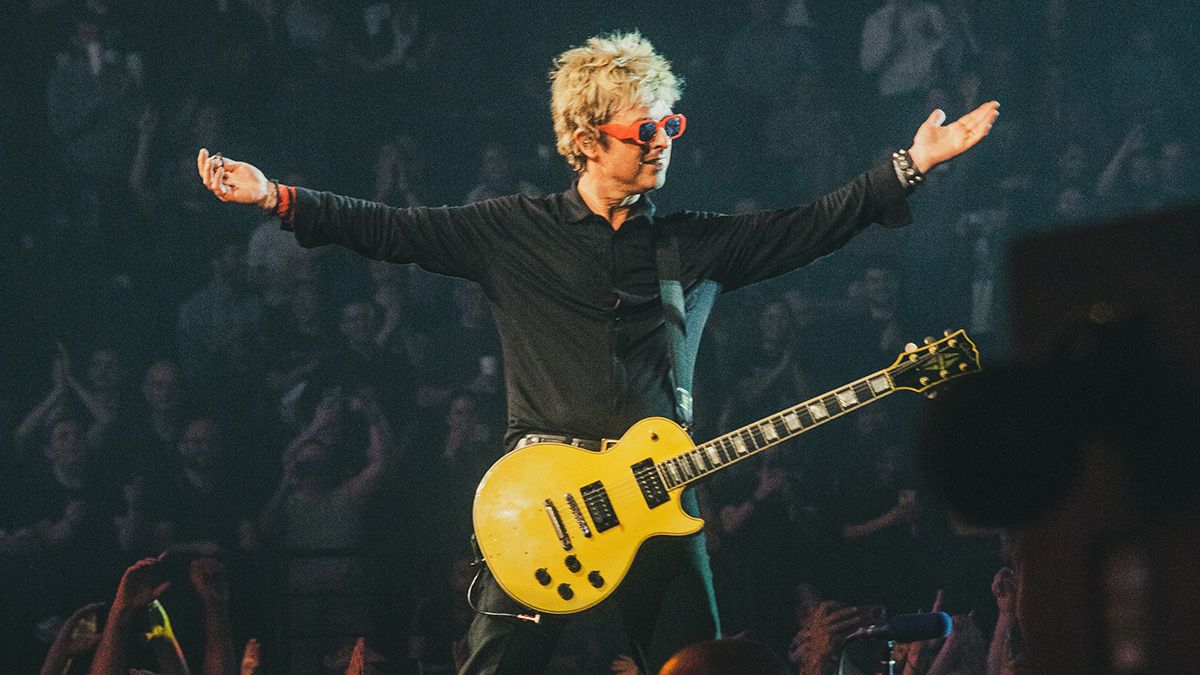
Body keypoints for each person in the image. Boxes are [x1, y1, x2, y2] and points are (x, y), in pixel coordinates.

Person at [196, 30, 998, 674]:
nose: (662, 142)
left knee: (703, 666)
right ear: (584, 140)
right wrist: (278, 197)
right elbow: (393, 229)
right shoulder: (514, 229)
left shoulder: (690, 243)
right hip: (542, 503)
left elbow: (812, 222)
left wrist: (909, 166)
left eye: (669, 125)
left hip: (658, 500)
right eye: (642, 130)